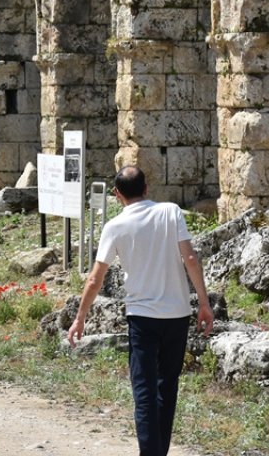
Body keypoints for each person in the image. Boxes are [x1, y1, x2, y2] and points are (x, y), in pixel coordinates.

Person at [67, 165, 215, 456]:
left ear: (116, 194)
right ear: (147, 188)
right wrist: (204, 302)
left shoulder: (115, 227)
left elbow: (96, 278)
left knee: (144, 391)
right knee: (167, 386)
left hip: (142, 317)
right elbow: (190, 258)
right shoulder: (171, 212)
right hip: (177, 313)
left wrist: (80, 317)